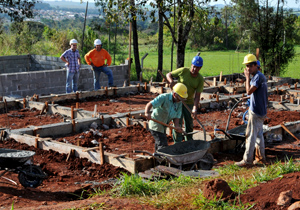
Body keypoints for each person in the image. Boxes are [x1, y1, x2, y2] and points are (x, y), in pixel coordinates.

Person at [235, 54, 268, 166]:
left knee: (250, 135)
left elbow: (249, 91)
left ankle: (247, 160)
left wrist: (247, 77)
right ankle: (261, 158)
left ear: (255, 65)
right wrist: (249, 97)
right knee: (259, 135)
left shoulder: (257, 77)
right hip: (261, 110)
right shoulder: (260, 77)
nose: (248, 68)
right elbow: (255, 93)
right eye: (246, 66)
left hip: (256, 111)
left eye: (249, 66)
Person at [166, 56, 204, 143]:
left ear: (200, 68)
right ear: (191, 65)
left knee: (189, 124)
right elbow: (169, 74)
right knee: (177, 123)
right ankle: (178, 143)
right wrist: (171, 81)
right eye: (194, 66)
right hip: (178, 101)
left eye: (197, 67)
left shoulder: (200, 79)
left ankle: (189, 142)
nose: (195, 69)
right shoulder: (184, 71)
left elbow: (197, 95)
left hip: (189, 103)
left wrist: (194, 108)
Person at [145, 83, 188, 151]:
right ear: (174, 95)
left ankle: (157, 158)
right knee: (163, 145)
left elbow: (177, 115)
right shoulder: (164, 97)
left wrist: (177, 126)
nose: (181, 100)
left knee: (159, 144)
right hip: (156, 125)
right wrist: (147, 113)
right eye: (180, 98)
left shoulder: (179, 103)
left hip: (163, 126)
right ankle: (163, 159)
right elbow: (150, 104)